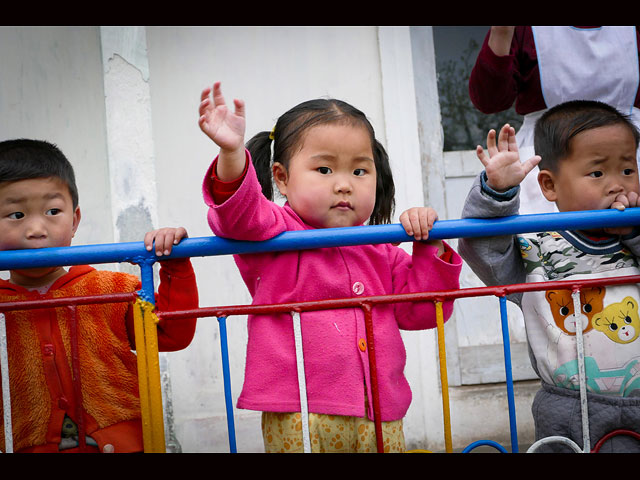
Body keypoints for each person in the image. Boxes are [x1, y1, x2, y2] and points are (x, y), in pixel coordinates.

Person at [198, 82, 462, 453]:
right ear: (282, 178)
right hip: (300, 413)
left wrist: (428, 244)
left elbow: (422, 310)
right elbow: (237, 215)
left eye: (359, 172)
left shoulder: (381, 247)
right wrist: (231, 154)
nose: (344, 185)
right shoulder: (272, 230)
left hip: (380, 415)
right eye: (324, 169)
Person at [458, 100, 640, 452]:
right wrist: (497, 193)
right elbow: (484, 249)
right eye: (598, 173)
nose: (617, 185)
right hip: (568, 408)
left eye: (628, 170)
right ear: (549, 185)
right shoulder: (536, 252)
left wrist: (632, 232)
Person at [0, 139, 198, 453]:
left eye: (53, 211)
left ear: (75, 220)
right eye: (16, 215)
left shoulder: (111, 289)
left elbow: (172, 333)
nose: (36, 229)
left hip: (126, 446)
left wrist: (174, 266)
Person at [469, 26, 640, 215]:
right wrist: (501, 33)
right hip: (547, 154)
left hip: (630, 151)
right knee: (539, 240)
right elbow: (490, 100)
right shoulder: (523, 29)